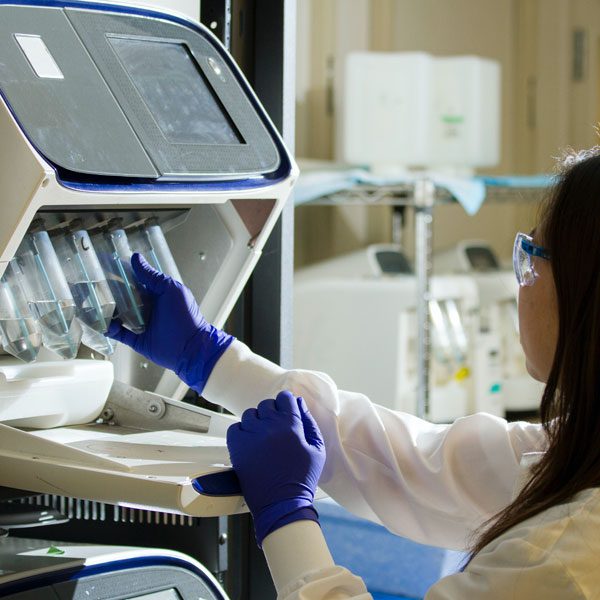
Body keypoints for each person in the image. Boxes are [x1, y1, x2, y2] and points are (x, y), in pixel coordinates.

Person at [107, 147, 600, 599]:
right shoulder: (572, 453)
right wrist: (211, 358)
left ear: (585, 295)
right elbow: (407, 461)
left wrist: (288, 519)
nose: (522, 285)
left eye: (530, 258)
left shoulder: (565, 558)